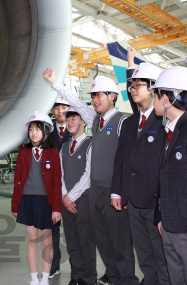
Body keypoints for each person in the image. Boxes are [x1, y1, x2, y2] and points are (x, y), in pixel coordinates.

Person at [43, 68, 138, 285]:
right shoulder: (96, 121)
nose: (95, 100)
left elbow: (129, 158)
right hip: (95, 191)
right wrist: (55, 83)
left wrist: (124, 190)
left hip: (114, 190)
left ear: (112, 96)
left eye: (99, 95)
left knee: (120, 242)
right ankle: (112, 276)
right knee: (103, 241)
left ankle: (127, 280)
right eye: (93, 96)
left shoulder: (123, 122)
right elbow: (76, 104)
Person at [111, 49, 169, 285]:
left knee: (161, 256)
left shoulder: (165, 119)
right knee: (144, 255)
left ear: (154, 89)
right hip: (133, 201)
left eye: (138, 86)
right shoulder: (129, 122)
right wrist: (117, 191)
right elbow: (121, 159)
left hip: (155, 202)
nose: (132, 90)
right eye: (131, 86)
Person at [150, 67, 187, 285]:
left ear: (165, 99)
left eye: (156, 95)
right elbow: (164, 181)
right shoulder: (168, 131)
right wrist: (161, 218)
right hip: (169, 227)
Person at [12, 111, 62, 285]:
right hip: (27, 200)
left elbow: (57, 182)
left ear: (46, 131)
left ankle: (45, 278)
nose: (34, 133)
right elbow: (17, 179)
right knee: (32, 240)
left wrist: (56, 208)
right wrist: (15, 205)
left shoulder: (53, 153)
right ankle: (34, 278)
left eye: (38, 129)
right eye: (31, 129)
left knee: (47, 241)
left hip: (46, 202)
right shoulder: (24, 152)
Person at [59, 106, 97, 285]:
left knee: (86, 241)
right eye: (68, 119)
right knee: (72, 241)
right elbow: (59, 175)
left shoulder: (90, 145)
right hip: (66, 202)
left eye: (74, 118)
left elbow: (88, 175)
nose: (70, 122)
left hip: (83, 201)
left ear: (83, 121)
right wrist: (65, 195)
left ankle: (89, 278)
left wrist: (71, 196)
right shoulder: (64, 147)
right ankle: (76, 276)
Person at [48, 96, 72, 279]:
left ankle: (77, 268)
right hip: (53, 189)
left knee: (74, 231)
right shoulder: (47, 133)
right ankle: (54, 264)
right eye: (56, 107)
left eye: (63, 107)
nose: (59, 111)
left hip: (72, 188)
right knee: (52, 229)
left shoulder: (75, 131)